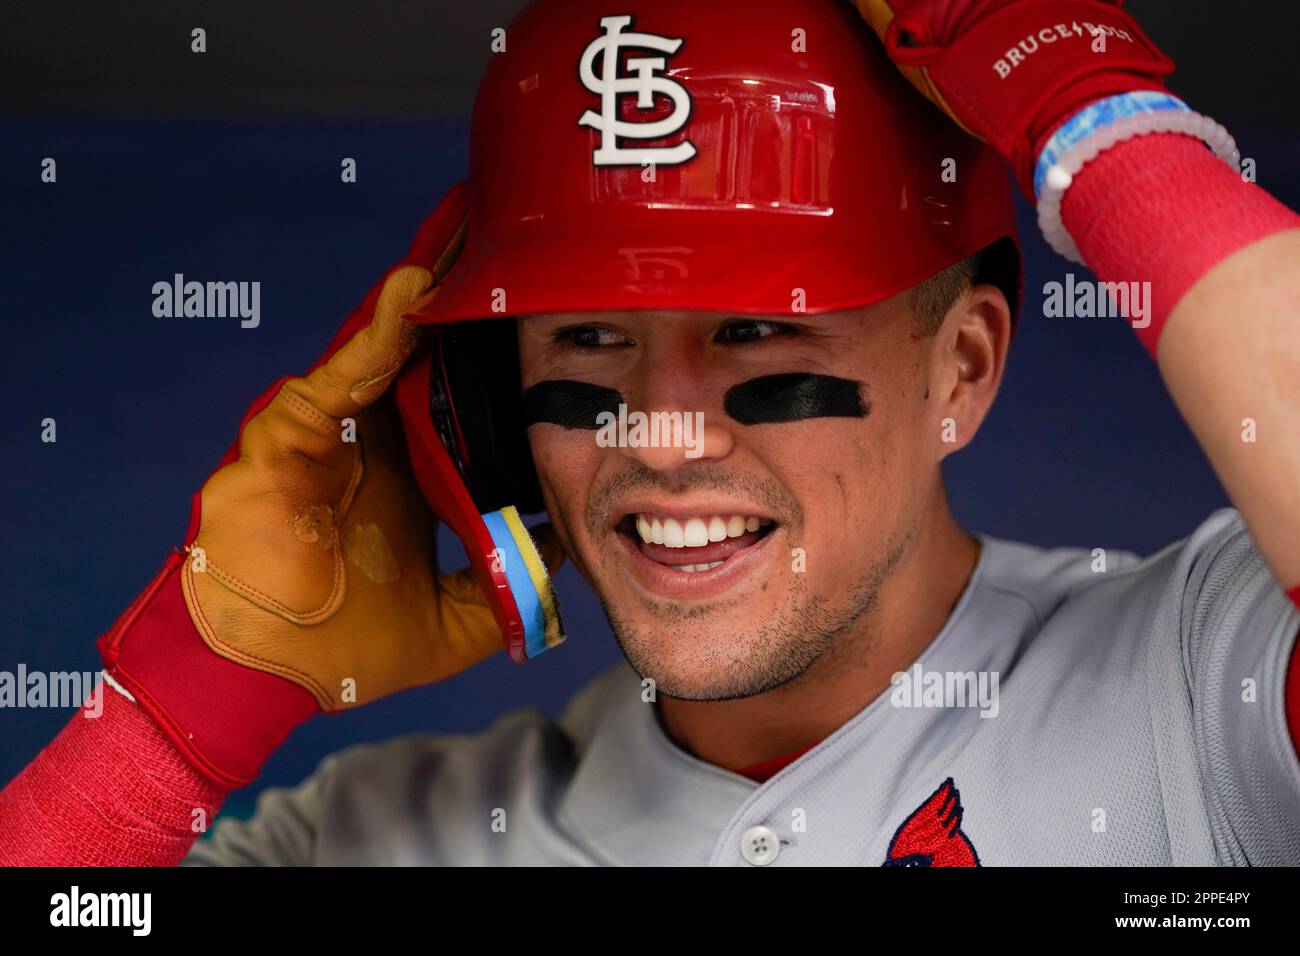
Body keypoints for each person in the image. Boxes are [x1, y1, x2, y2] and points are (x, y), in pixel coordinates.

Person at [2, 0, 1297, 866]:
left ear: (961, 366)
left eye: (759, 334)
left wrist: (1099, 117)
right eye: (588, 343)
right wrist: (174, 721)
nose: (663, 437)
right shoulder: (380, 837)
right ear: (486, 413)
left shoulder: (1202, 689)